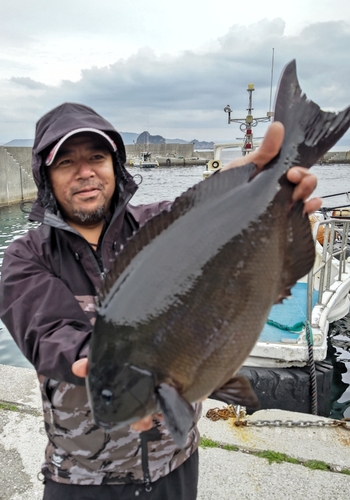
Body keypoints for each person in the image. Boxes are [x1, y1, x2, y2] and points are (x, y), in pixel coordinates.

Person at [0, 102, 321, 500]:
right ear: (46, 177)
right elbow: (48, 331)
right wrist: (117, 371)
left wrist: (257, 187)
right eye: (66, 162)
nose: (85, 172)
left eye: (96, 157)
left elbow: (207, 219)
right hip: (80, 480)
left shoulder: (160, 223)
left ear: (114, 165)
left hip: (176, 466)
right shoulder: (26, 256)